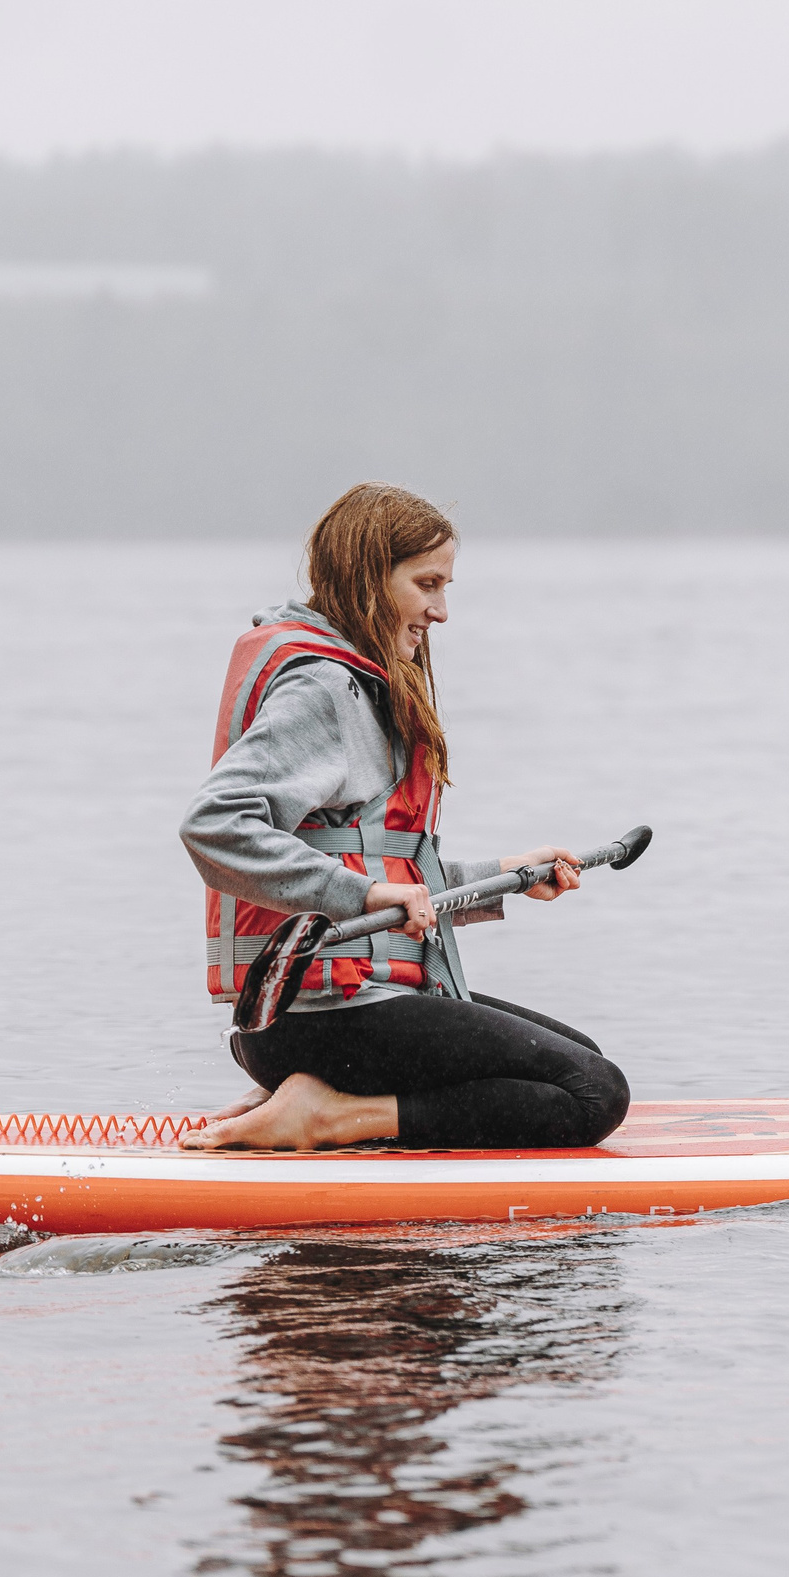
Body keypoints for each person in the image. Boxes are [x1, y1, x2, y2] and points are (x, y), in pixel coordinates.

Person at [177, 483, 630, 1151]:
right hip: (319, 1017)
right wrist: (357, 895)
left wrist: (502, 875)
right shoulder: (322, 689)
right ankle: (324, 1115)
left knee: (578, 1057)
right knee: (592, 1094)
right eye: (426, 584)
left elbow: (378, 866)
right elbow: (214, 823)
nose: (441, 611)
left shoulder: (352, 681)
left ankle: (301, 1091)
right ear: (368, 579)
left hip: (302, 1023)